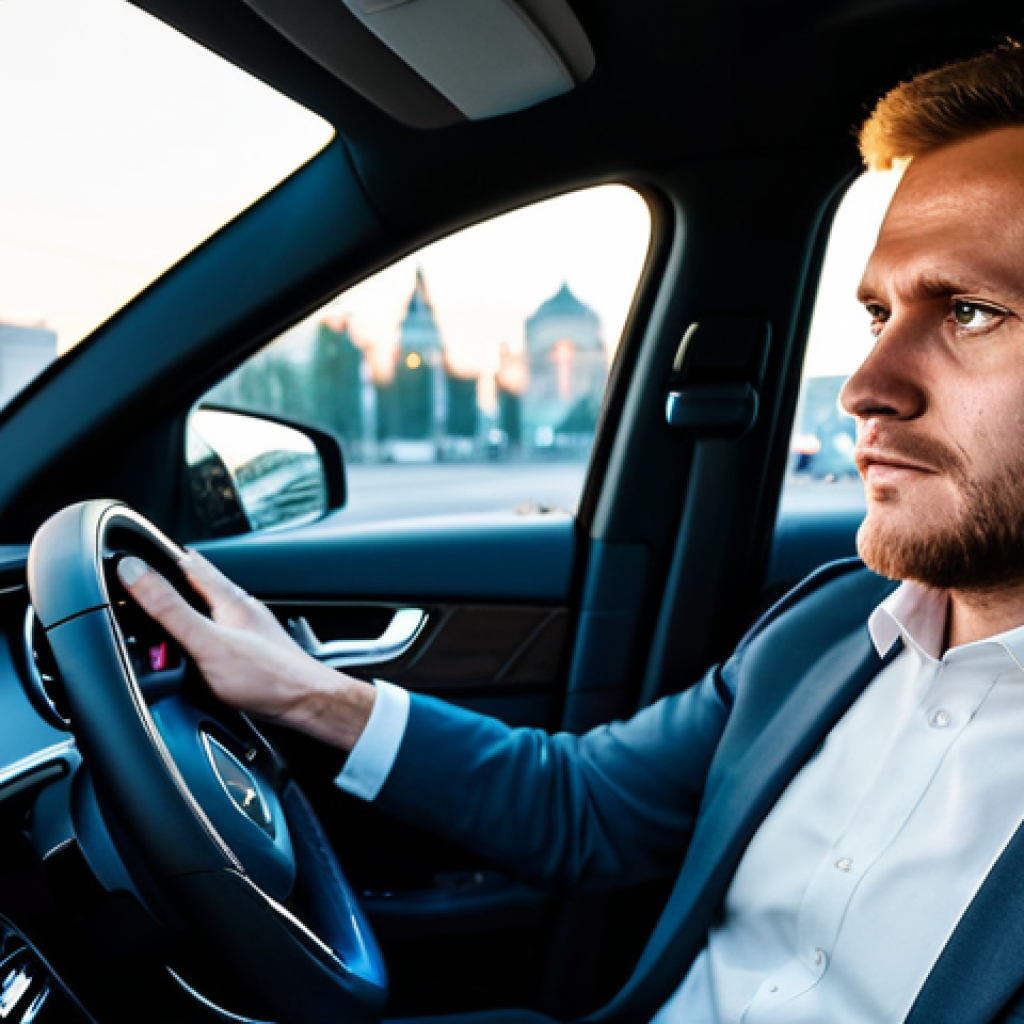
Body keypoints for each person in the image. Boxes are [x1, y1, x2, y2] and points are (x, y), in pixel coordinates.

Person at [116, 42, 1024, 1024]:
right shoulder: (834, 623)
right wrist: (303, 689)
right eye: (878, 313)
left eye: (970, 311)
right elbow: (583, 807)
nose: (863, 389)